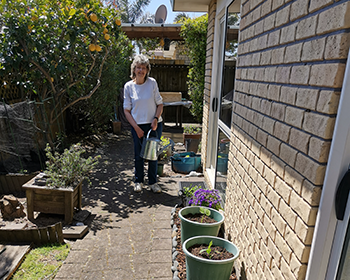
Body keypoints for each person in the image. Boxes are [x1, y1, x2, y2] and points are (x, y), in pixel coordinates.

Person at [123, 54, 164, 193]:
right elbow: (127, 110)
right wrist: (136, 128)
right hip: (137, 125)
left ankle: (153, 183)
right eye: (138, 67)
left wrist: (156, 119)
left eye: (144, 68)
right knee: (138, 155)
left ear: (147, 70)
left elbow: (160, 104)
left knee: (153, 155)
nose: (141, 70)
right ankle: (138, 181)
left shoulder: (152, 83)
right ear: (134, 69)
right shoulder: (128, 87)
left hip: (153, 124)